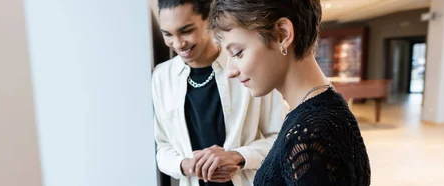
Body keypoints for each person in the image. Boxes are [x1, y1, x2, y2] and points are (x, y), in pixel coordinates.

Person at [208, 0, 371, 185]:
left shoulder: (313, 133)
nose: (230, 71)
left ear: (282, 34)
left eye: (238, 53)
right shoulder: (320, 112)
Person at [152, 0, 287, 186]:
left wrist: (238, 157)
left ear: (209, 20)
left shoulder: (249, 66)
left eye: (186, 30)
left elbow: (283, 139)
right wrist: (185, 165)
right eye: (167, 34)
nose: (177, 44)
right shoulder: (161, 77)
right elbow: (162, 147)